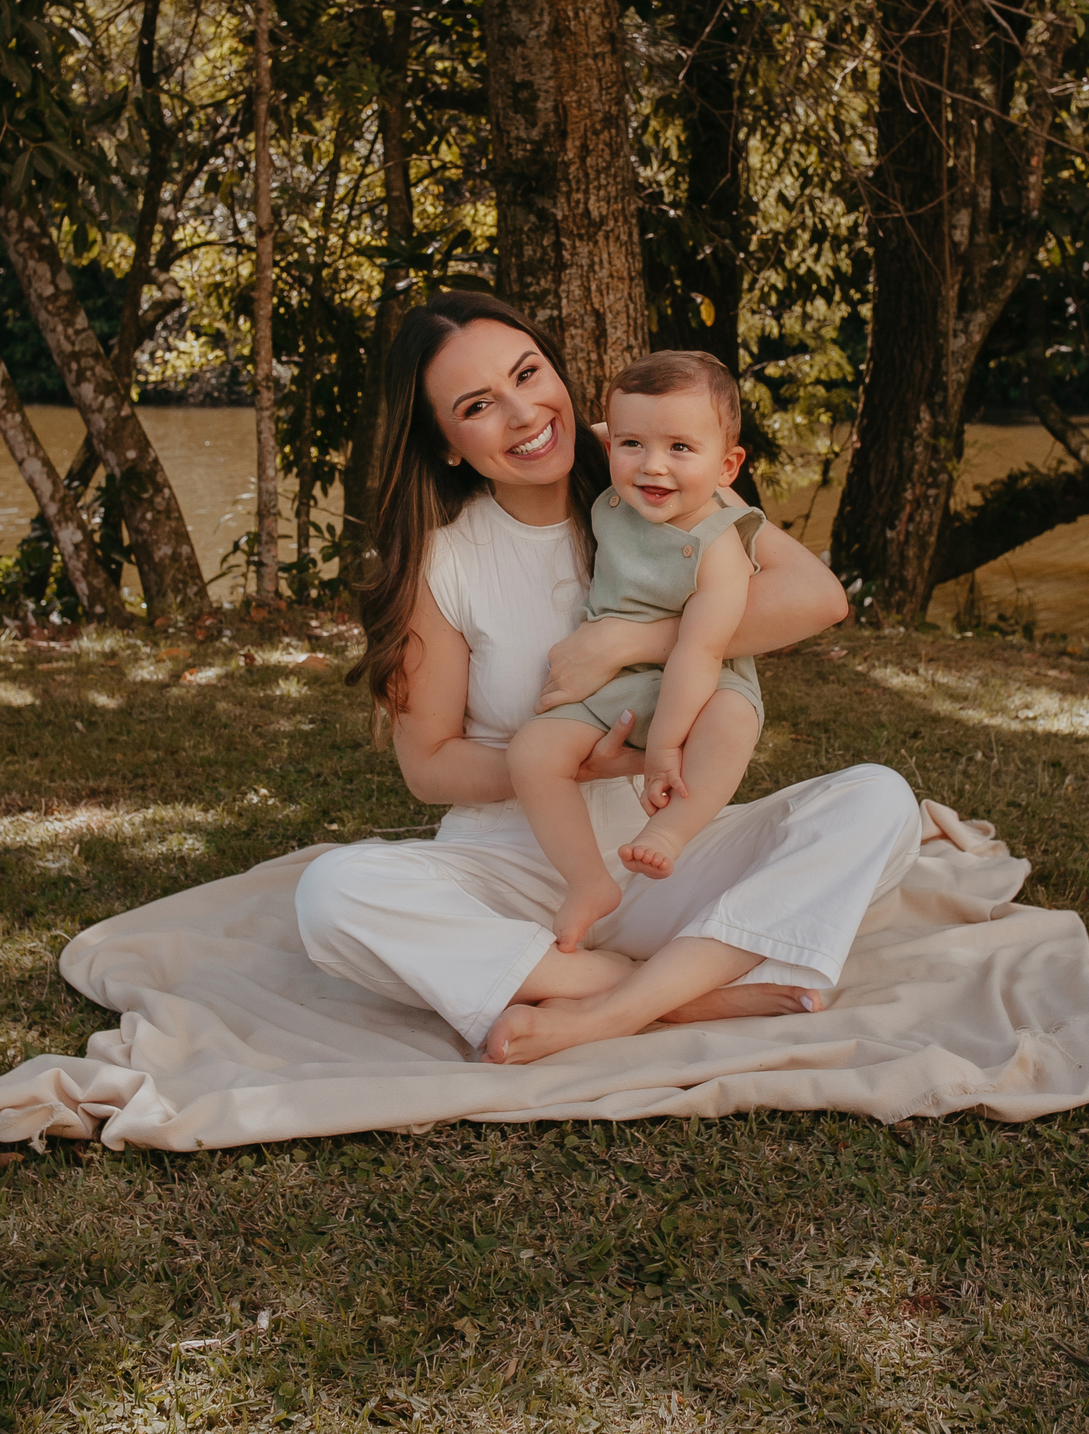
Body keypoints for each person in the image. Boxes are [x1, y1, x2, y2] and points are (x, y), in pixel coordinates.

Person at [295, 292, 923, 1066]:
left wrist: (630, 639)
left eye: (529, 373)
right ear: (448, 442)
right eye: (480, 405)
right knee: (332, 895)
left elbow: (817, 597)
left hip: (669, 843)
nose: (524, 414)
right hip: (520, 870)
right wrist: (583, 763)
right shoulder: (445, 559)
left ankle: (604, 1005)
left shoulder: (646, 464)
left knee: (880, 804)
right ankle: (668, 988)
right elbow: (429, 764)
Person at [508, 350, 766, 954]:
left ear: (727, 466)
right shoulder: (620, 483)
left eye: (681, 448)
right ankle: (588, 881)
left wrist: (666, 749)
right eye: (632, 445)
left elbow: (700, 652)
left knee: (731, 724)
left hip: (701, 685)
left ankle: (672, 831)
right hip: (611, 682)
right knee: (532, 752)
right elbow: (598, 431)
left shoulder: (720, 545)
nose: (653, 466)